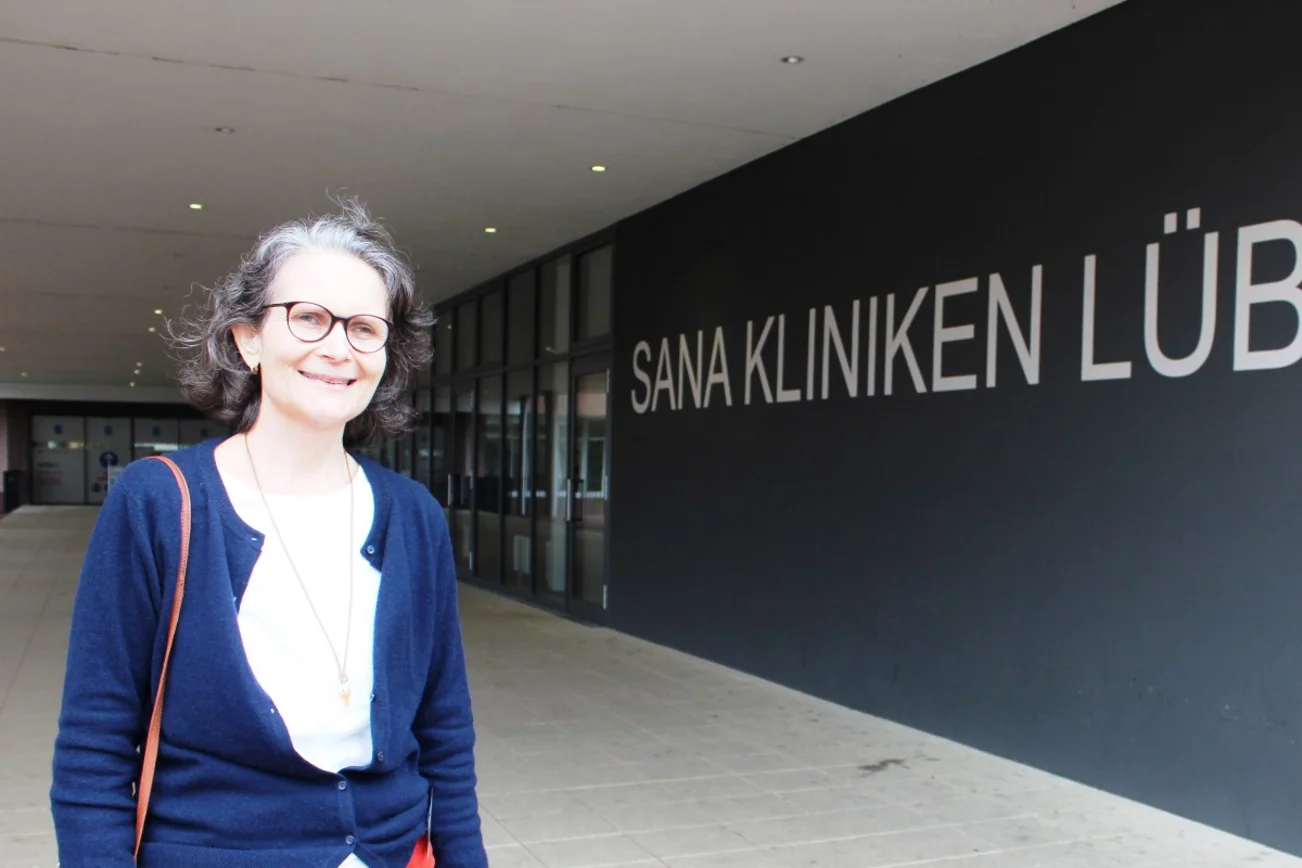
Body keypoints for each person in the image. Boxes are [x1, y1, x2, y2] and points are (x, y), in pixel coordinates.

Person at [50, 199, 488, 868]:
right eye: (309, 317)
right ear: (247, 338)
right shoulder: (158, 505)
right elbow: (94, 748)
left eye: (365, 328)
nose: (338, 347)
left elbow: (445, 731)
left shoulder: (413, 516)